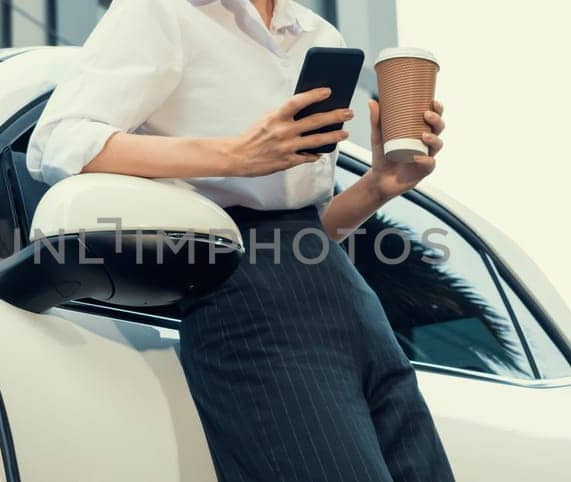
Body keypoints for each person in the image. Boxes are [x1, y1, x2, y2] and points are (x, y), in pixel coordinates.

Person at [29, 1, 453, 481]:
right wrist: (235, 154)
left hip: (349, 299)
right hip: (245, 299)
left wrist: (379, 183)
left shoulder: (318, 35)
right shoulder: (164, 12)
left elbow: (306, 228)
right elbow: (58, 141)